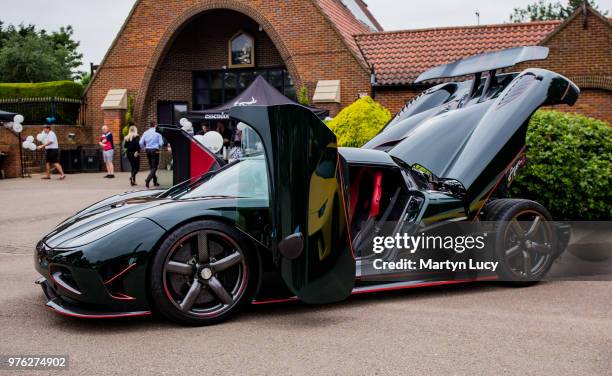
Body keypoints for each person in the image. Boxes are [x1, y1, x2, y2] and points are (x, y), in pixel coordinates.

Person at [139, 121, 164, 188]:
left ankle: (155, 182)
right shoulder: (158, 133)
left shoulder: (145, 133)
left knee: (151, 167)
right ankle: (148, 180)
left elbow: (141, 142)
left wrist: (143, 148)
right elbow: (161, 143)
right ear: (155, 125)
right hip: (155, 151)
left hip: (148, 150)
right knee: (154, 167)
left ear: (150, 125)